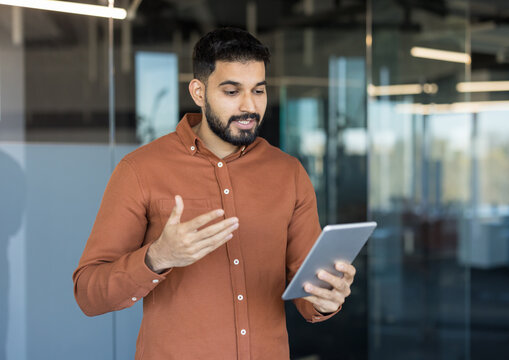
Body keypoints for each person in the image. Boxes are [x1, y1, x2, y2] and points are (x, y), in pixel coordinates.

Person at [73, 27, 356, 360]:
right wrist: (158, 257)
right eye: (232, 91)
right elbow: (88, 294)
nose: (250, 106)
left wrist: (327, 297)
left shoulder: (289, 173)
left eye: (259, 91)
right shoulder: (139, 170)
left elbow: (307, 296)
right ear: (198, 91)